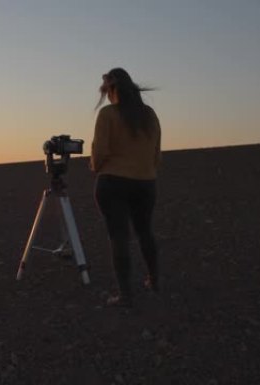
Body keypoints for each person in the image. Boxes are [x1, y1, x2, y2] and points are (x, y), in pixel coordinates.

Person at [91, 67, 162, 308]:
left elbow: (100, 152)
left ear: (112, 90)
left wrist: (95, 166)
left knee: (119, 237)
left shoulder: (108, 114)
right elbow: (156, 153)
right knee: (145, 232)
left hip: (113, 182)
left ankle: (125, 295)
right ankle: (154, 281)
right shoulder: (149, 115)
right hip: (146, 182)